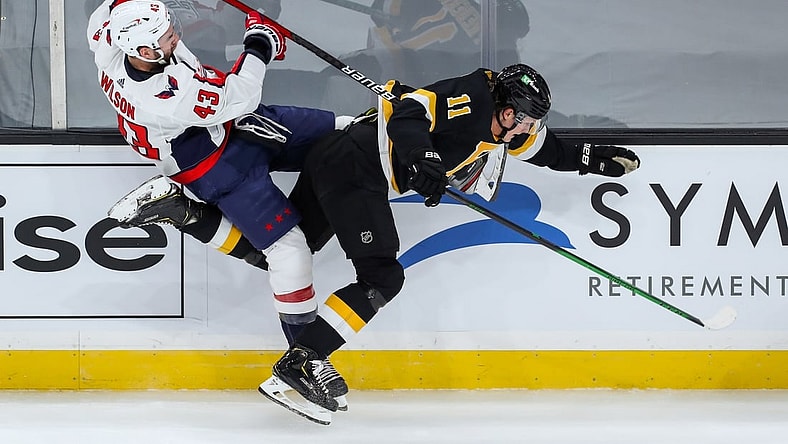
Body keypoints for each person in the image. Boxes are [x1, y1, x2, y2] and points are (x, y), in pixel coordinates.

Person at [113, 63, 640, 424]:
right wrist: (423, 159)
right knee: (383, 276)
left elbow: (544, 148)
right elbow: (412, 111)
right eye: (514, 117)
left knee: (284, 251)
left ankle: (182, 211)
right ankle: (303, 360)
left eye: (526, 122)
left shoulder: (510, 125)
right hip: (355, 167)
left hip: (339, 159)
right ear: (500, 100)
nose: (517, 129)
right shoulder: (474, 97)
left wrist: (590, 159)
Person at [87, 0, 353, 409]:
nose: (175, 33)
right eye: (166, 36)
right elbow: (240, 94)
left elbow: (115, 4)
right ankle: (300, 363)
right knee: (290, 251)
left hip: (226, 129)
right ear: (144, 52)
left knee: (348, 131)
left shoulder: (108, 36)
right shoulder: (166, 94)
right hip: (212, 164)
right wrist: (260, 40)